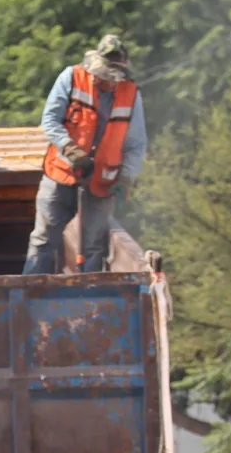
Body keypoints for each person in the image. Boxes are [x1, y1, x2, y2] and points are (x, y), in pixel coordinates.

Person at [23, 33, 147, 275]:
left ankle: (88, 298)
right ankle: (29, 293)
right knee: (43, 240)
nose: (106, 82)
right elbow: (50, 121)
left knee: (94, 247)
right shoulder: (72, 77)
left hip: (102, 181)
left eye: (112, 78)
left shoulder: (131, 95)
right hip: (61, 174)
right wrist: (71, 151)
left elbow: (136, 144)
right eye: (102, 76)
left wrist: (127, 178)